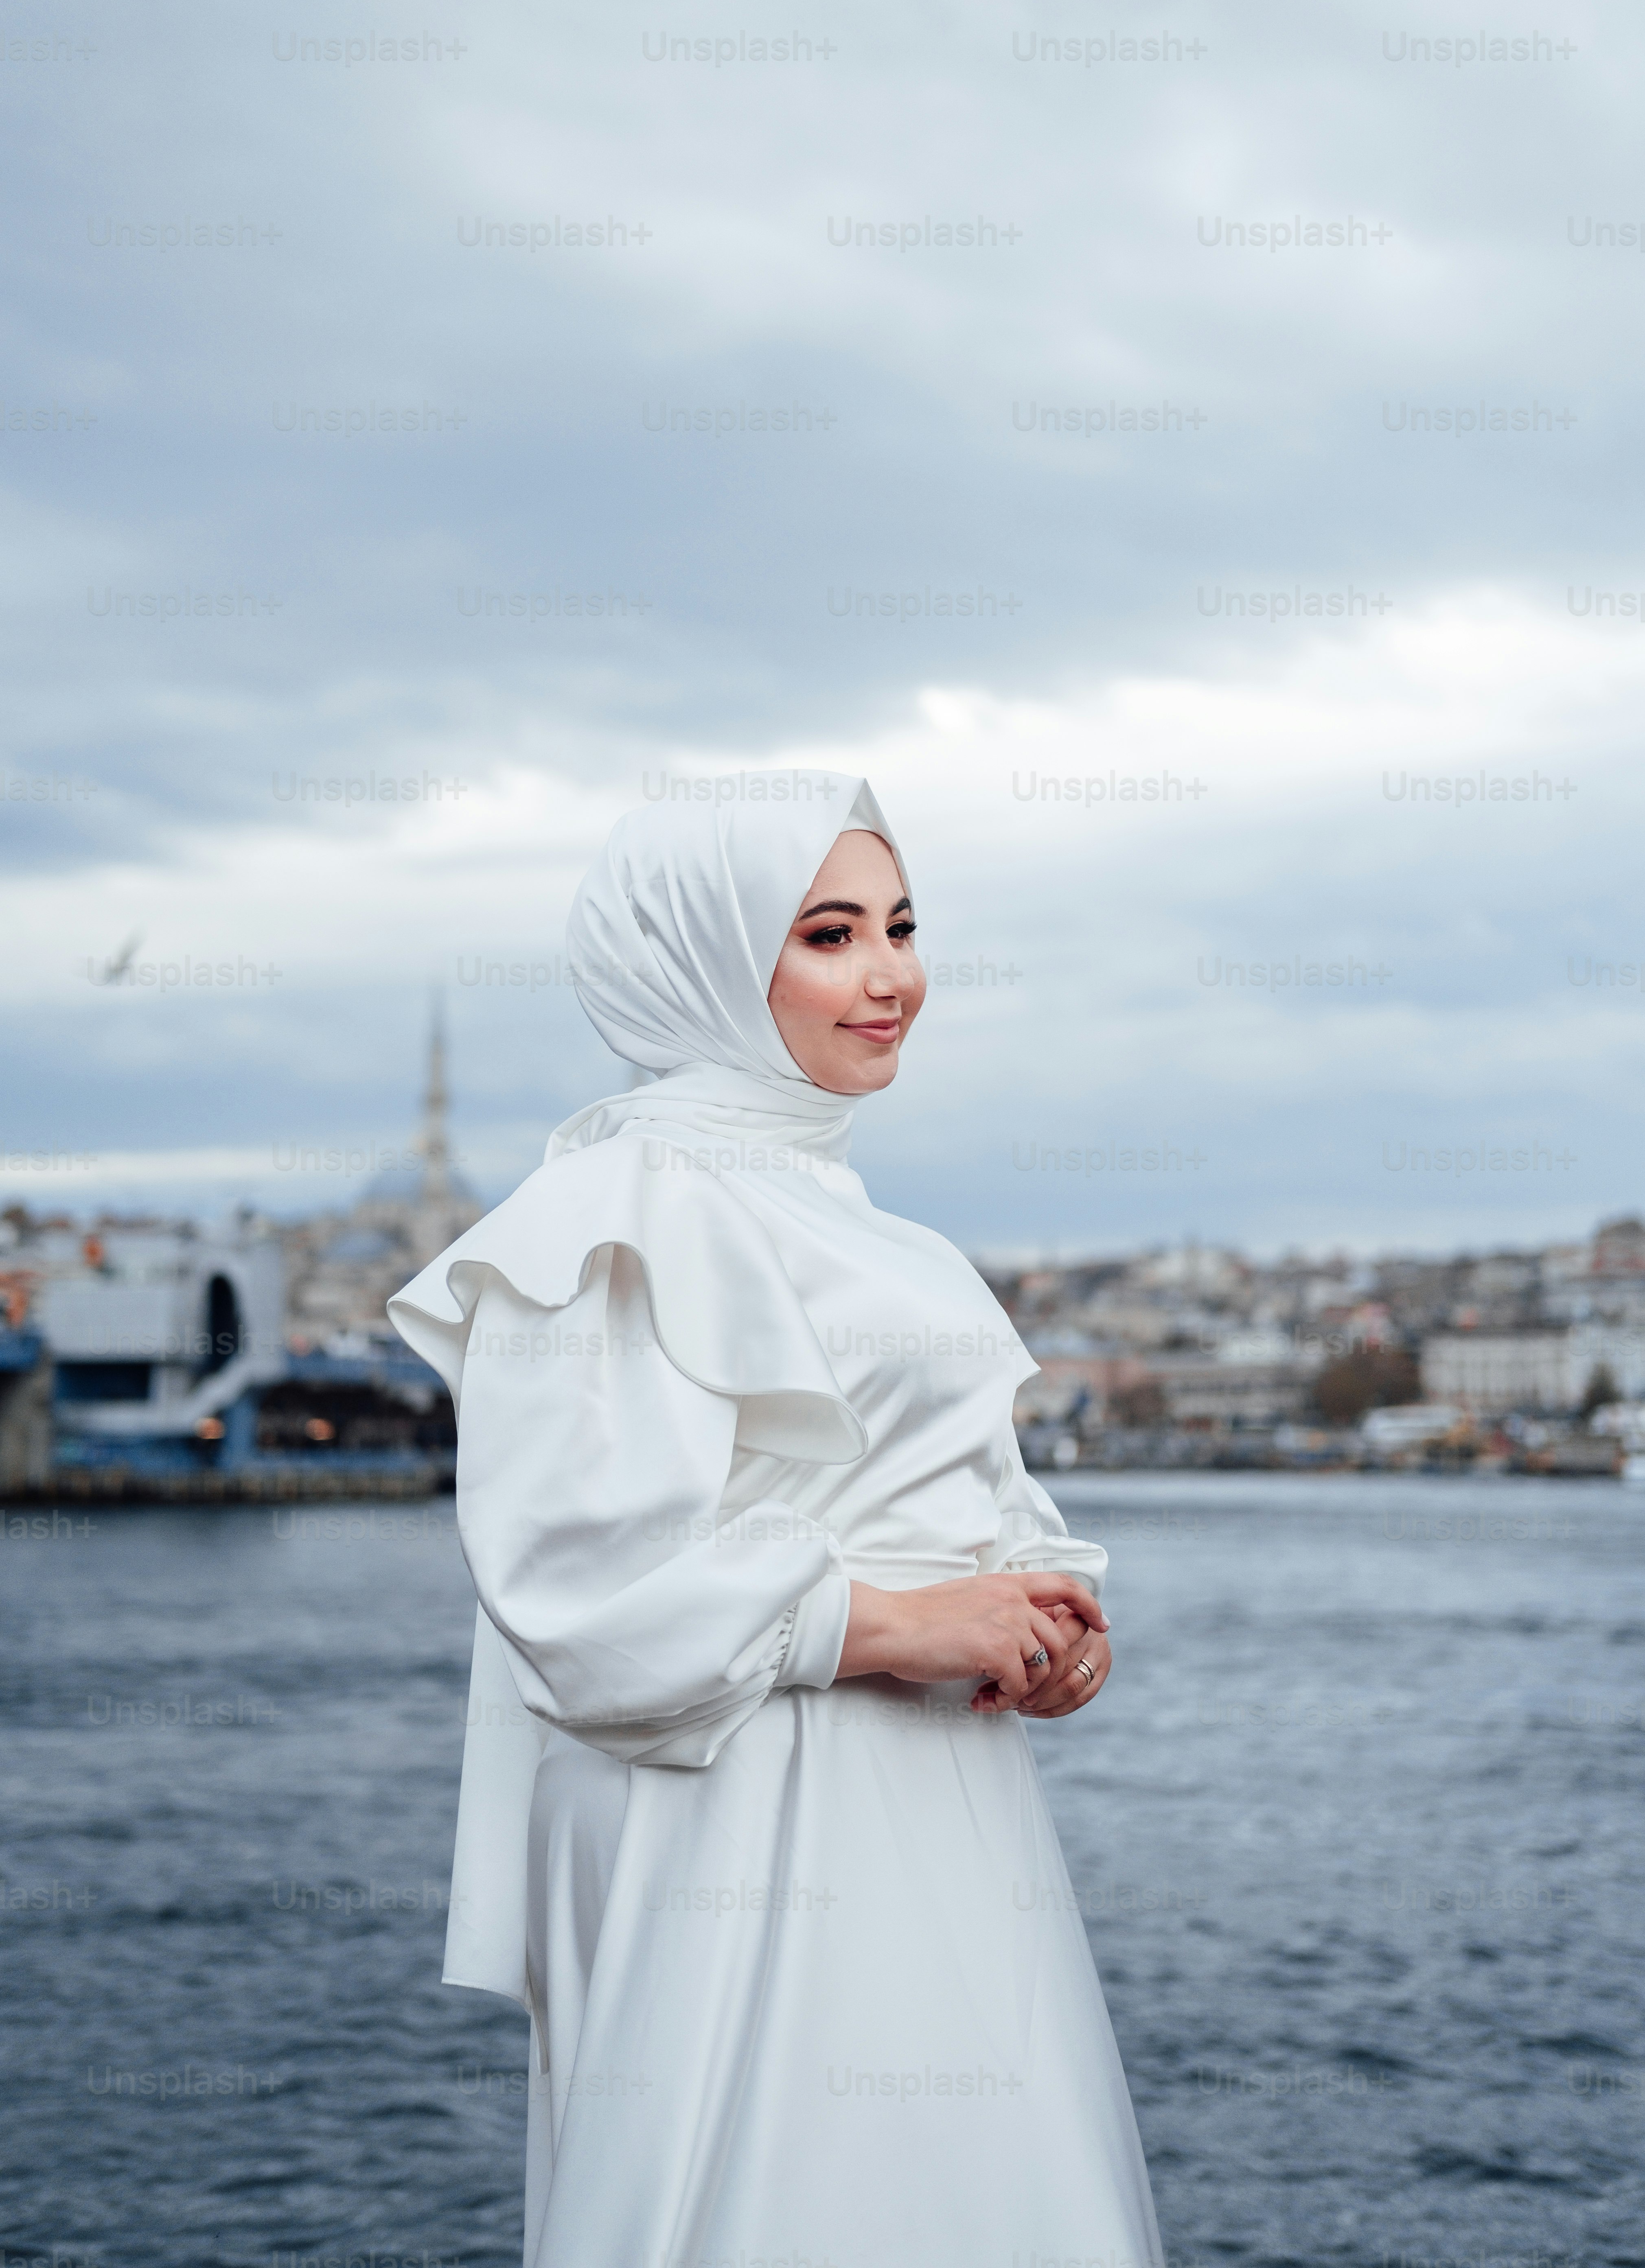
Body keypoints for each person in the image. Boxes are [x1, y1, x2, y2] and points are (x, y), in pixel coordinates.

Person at [390, 775, 1164, 2268]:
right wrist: (899, 1624)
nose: (891, 976)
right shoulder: (617, 1206)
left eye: (902, 927)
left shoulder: (896, 1242)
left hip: (944, 1800)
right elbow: (580, 1585)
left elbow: (983, 1521)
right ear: (700, 960)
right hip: (742, 1804)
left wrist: (1050, 1629)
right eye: (828, 934)